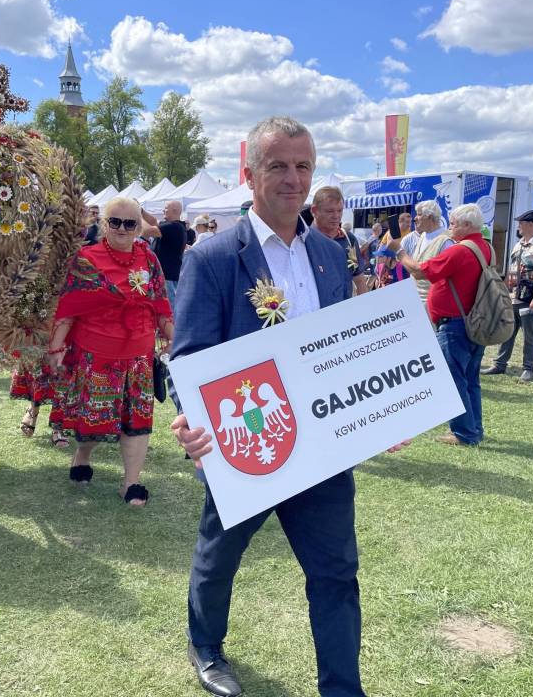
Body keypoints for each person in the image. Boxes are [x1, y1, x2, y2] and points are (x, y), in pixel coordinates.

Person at [171, 117, 368, 697]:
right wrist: (194, 420)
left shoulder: (329, 255)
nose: (293, 179)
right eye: (278, 165)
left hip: (324, 447)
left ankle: (343, 688)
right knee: (219, 558)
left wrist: (380, 408)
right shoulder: (212, 258)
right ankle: (206, 645)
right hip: (249, 440)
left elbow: (343, 346)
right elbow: (190, 356)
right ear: (250, 173)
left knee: (337, 573)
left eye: (303, 166)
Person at [45, 196, 173, 506]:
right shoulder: (86, 259)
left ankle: (131, 483)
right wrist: (56, 347)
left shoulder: (149, 259)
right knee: (94, 417)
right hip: (96, 356)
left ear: (138, 227)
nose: (122, 228)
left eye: (130, 223)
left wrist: (174, 338)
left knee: (137, 419)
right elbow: (70, 306)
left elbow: (160, 303)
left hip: (139, 356)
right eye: (115, 221)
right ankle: (82, 455)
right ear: (104, 224)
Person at [394, 203, 492, 446]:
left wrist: (400, 253)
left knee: (454, 378)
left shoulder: (459, 251)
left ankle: (464, 432)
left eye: (454, 224)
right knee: (470, 379)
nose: (450, 228)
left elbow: (419, 271)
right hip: (474, 321)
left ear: (467, 225)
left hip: (455, 324)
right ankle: (474, 428)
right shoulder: (485, 247)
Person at [482, 210, 533, 381]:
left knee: (530, 335)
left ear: (530, 224)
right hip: (513, 295)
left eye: (521, 223)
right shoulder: (519, 245)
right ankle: (499, 364)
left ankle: (528, 368)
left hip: (529, 297)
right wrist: (504, 291)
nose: (518, 226)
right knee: (507, 331)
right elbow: (512, 269)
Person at [309, 185, 369, 295]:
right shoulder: (304, 241)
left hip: (346, 304)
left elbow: (360, 280)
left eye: (340, 210)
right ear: (314, 211)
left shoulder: (349, 239)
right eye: (330, 211)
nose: (336, 216)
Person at [402, 200, 453, 304]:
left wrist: (400, 252)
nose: (415, 218)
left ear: (430, 217)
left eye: (419, 214)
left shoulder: (446, 242)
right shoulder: (423, 235)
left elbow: (446, 277)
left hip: (432, 303)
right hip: (415, 299)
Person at [155, 200, 188, 307]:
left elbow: (151, 229)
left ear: (174, 210)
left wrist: (139, 214)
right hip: (168, 276)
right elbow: (154, 223)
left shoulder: (174, 227)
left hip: (167, 277)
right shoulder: (176, 227)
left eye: (166, 208)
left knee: (169, 309)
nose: (163, 210)